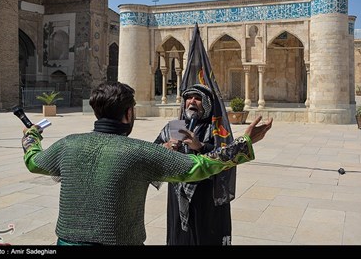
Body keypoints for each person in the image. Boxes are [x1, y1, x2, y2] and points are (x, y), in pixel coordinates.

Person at [21, 82, 273, 245]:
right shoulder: (138, 152)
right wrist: (243, 143)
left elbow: (33, 161)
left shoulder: (68, 145)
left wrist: (31, 135)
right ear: (129, 114)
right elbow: (201, 166)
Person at [154, 84, 231, 245]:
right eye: (189, 98)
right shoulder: (176, 127)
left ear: (207, 103)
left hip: (205, 194)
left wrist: (201, 147)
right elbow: (152, 154)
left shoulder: (216, 129)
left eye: (198, 98)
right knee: (181, 236)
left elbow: (228, 158)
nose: (192, 102)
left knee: (204, 234)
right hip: (178, 193)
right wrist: (165, 147)